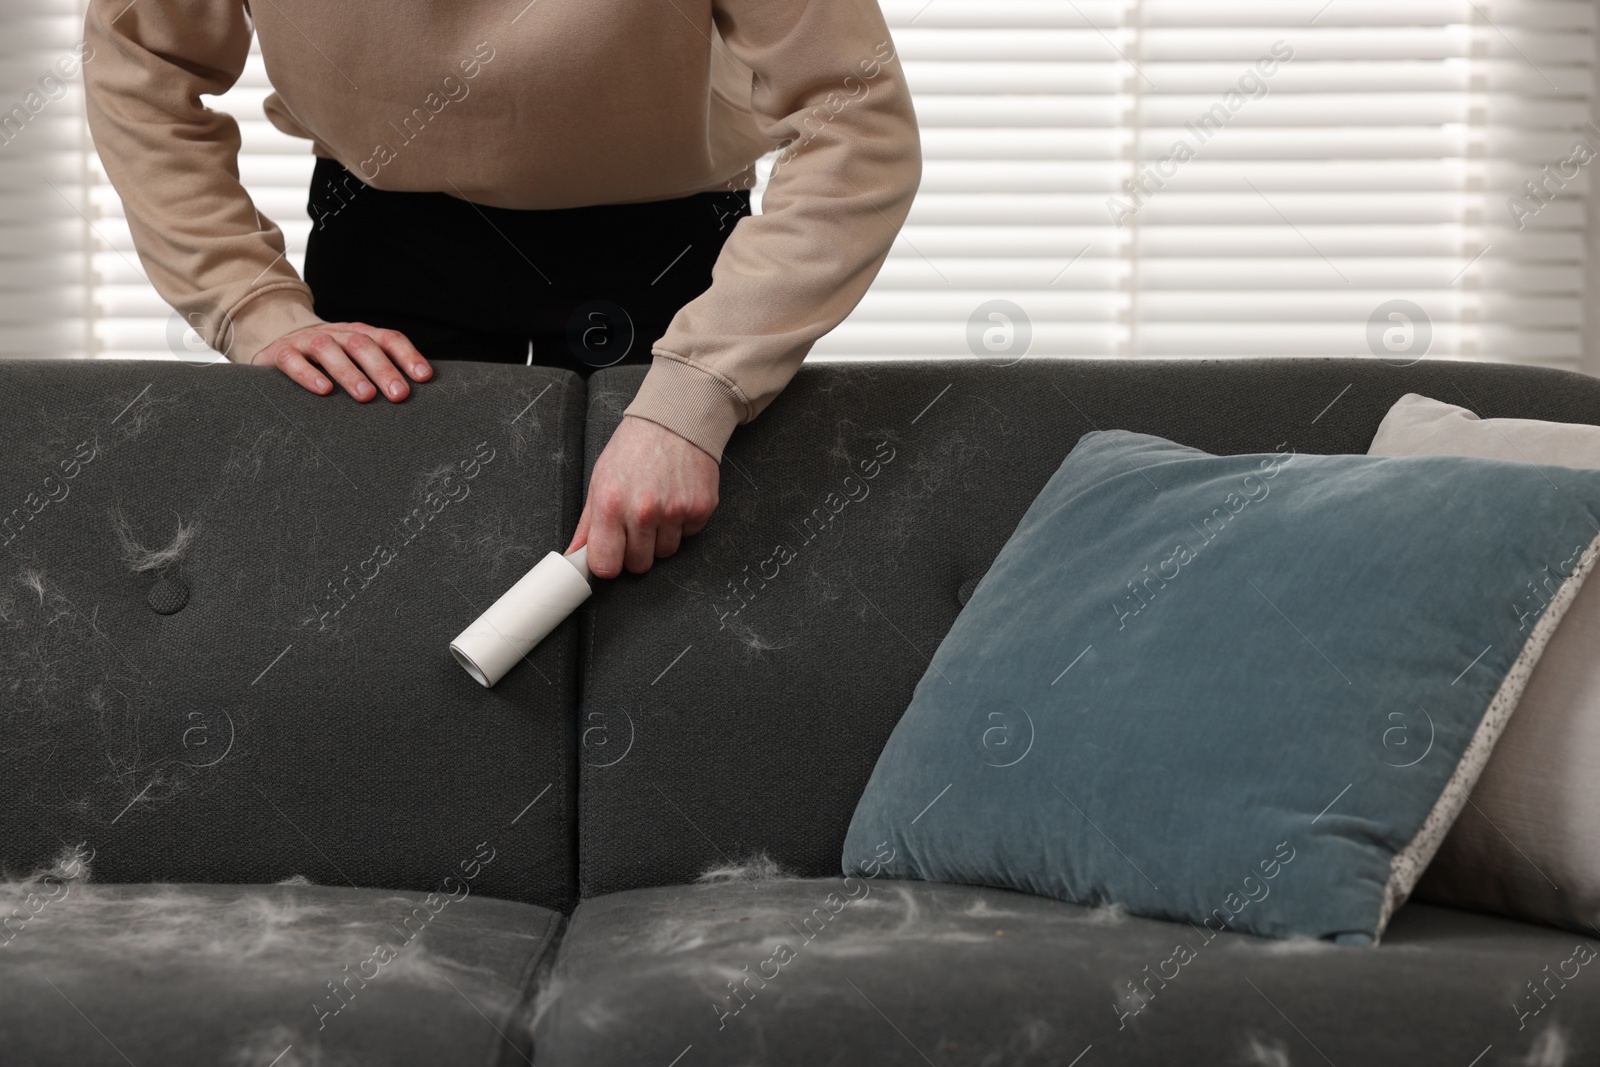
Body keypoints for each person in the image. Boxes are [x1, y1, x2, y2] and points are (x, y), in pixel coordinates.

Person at [82, 0, 921, 578]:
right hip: (385, 244)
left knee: (661, 630)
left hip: (668, 254)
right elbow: (139, 61)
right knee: (385, 617)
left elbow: (854, 115)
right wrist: (250, 305)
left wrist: (700, 389)